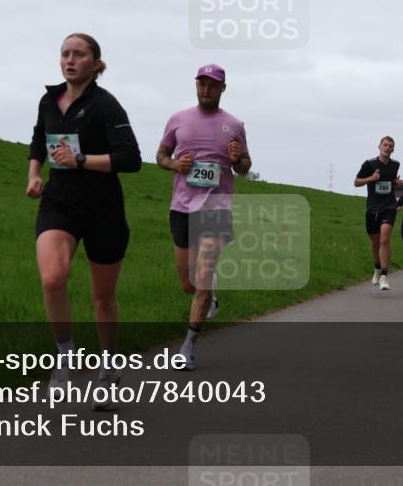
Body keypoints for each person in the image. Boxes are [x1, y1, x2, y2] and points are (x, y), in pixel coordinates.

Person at [27, 32, 142, 409]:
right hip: (59, 204)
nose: (70, 60)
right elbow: (38, 139)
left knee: (103, 298)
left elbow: (131, 159)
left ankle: (108, 371)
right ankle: (65, 357)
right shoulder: (49, 100)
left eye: (79, 54)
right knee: (52, 279)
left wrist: (80, 160)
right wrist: (34, 174)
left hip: (102, 210)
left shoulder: (106, 106)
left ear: (96, 64)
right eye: (65, 54)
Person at [157, 64, 251, 371]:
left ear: (223, 88)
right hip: (182, 207)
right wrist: (174, 165)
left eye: (212, 85)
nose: (206, 89)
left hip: (216, 208)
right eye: (201, 83)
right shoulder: (178, 119)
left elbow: (245, 167)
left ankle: (187, 348)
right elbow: (160, 156)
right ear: (196, 85)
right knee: (188, 283)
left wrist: (237, 159)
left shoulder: (234, 125)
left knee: (204, 274)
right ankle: (209, 295)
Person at [354, 136, 401, 290]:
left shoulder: (395, 165)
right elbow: (356, 182)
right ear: (379, 147)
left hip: (389, 207)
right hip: (372, 209)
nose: (387, 148)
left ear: (393, 149)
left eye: (390, 146)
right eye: (385, 145)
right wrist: (371, 178)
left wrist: (396, 184)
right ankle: (377, 268)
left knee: (384, 239)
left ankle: (384, 276)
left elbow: (391, 183)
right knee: (375, 243)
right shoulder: (369, 164)